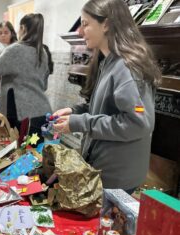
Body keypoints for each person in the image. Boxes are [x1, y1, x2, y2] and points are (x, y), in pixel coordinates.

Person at [53, 0, 160, 194]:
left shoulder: (126, 67)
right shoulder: (108, 62)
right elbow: (107, 110)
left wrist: (80, 122)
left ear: (107, 24)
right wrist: (75, 111)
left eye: (85, 24)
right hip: (104, 171)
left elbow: (138, 123)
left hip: (116, 179)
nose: (79, 31)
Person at [0, 14, 52, 135]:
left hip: (21, 116)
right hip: (40, 113)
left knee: (15, 152)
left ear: (22, 28)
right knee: (34, 152)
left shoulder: (15, 50)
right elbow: (44, 85)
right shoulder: (42, 52)